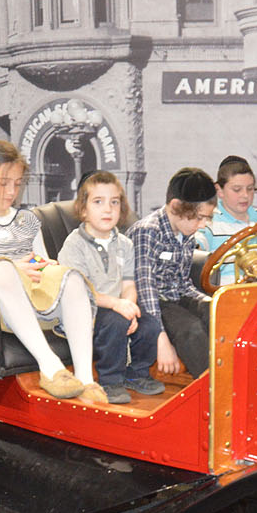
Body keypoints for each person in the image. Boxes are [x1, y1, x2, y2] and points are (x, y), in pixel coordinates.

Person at [0, 140, 106, 403]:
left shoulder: (27, 219)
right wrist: (13, 268)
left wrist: (45, 266)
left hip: (37, 299)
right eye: (3, 183)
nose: (11, 192)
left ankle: (86, 378)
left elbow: (40, 260)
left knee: (71, 276)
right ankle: (50, 366)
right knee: (3, 269)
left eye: (17, 184)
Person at [57, 171, 164, 405]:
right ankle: (109, 381)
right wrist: (118, 306)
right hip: (84, 312)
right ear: (83, 209)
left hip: (117, 308)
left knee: (150, 324)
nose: (108, 209)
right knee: (115, 322)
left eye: (114, 202)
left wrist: (130, 307)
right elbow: (82, 292)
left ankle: (136, 373)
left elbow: (129, 284)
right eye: (98, 202)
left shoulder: (125, 245)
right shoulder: (73, 245)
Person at [130, 168, 216, 377]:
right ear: (176, 206)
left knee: (217, 313)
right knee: (192, 330)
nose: (203, 225)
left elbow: (183, 282)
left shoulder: (186, 232)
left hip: (174, 297)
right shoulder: (148, 231)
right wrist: (160, 338)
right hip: (148, 304)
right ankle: (215, 390)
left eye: (207, 218)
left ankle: (235, 375)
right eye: (199, 218)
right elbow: (145, 291)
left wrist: (207, 301)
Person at [199, 155, 257, 285]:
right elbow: (195, 255)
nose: (245, 195)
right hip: (226, 298)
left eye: (250, 189)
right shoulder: (209, 220)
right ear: (219, 190)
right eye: (237, 190)